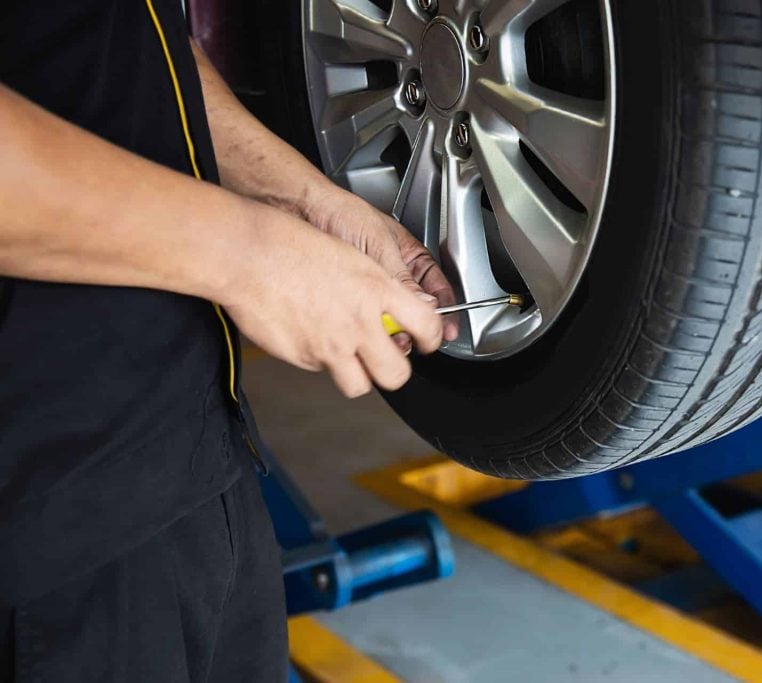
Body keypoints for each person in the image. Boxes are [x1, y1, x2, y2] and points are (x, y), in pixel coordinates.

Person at [0, 1, 458, 680]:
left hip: (196, 462)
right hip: (45, 527)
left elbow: (124, 44)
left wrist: (306, 200)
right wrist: (249, 255)